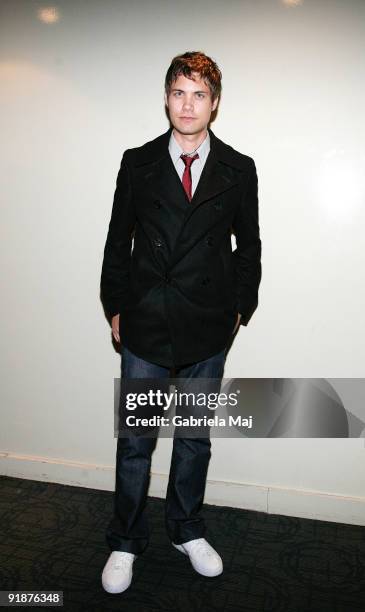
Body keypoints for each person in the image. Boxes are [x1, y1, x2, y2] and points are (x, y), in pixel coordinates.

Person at [100, 51, 262, 594]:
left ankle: (186, 529)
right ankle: (125, 540)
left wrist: (238, 307)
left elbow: (249, 247)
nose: (187, 104)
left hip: (207, 328)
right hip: (145, 323)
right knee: (135, 441)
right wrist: (116, 305)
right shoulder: (138, 161)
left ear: (214, 104)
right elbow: (117, 240)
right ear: (166, 98)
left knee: (194, 439)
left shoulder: (239, 168)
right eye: (178, 92)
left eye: (199, 94)